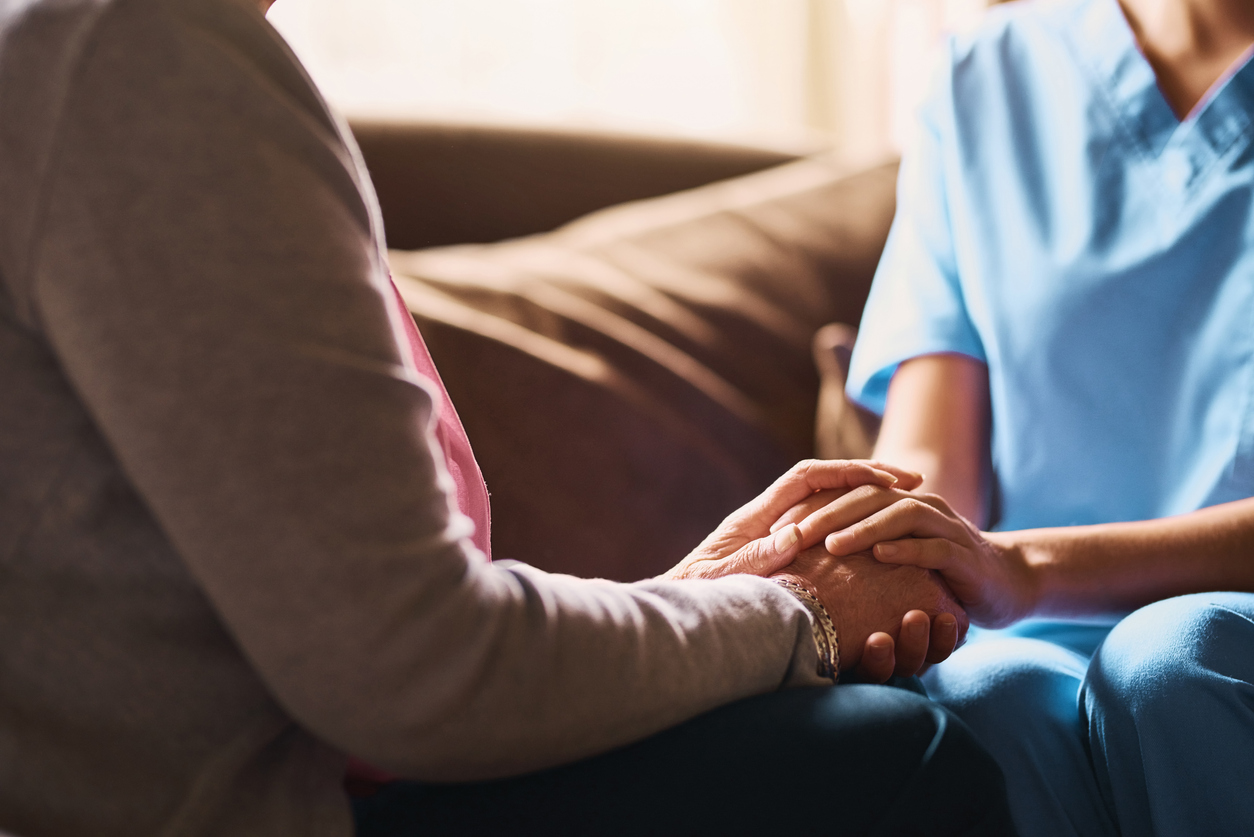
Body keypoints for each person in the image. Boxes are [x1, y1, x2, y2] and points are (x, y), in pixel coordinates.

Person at [0, 0, 1018, 835]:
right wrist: (794, 613)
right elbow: (420, 675)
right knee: (890, 757)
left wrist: (696, 595)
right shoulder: (140, 59)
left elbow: (369, 636)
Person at [774, 0, 1254, 834]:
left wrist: (1027, 567)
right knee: (978, 696)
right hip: (1019, 622)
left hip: (1188, 623)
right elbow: (933, 455)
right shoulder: (986, 76)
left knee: (1172, 663)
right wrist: (886, 554)